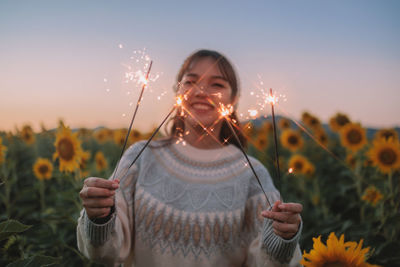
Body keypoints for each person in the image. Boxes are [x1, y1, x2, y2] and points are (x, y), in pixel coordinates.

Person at [77, 50, 303, 266]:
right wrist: (99, 218)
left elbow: (264, 262)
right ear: (177, 91)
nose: (201, 91)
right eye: (191, 81)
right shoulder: (141, 157)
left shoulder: (251, 174)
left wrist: (282, 239)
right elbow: (105, 253)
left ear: (233, 100)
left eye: (217, 84)